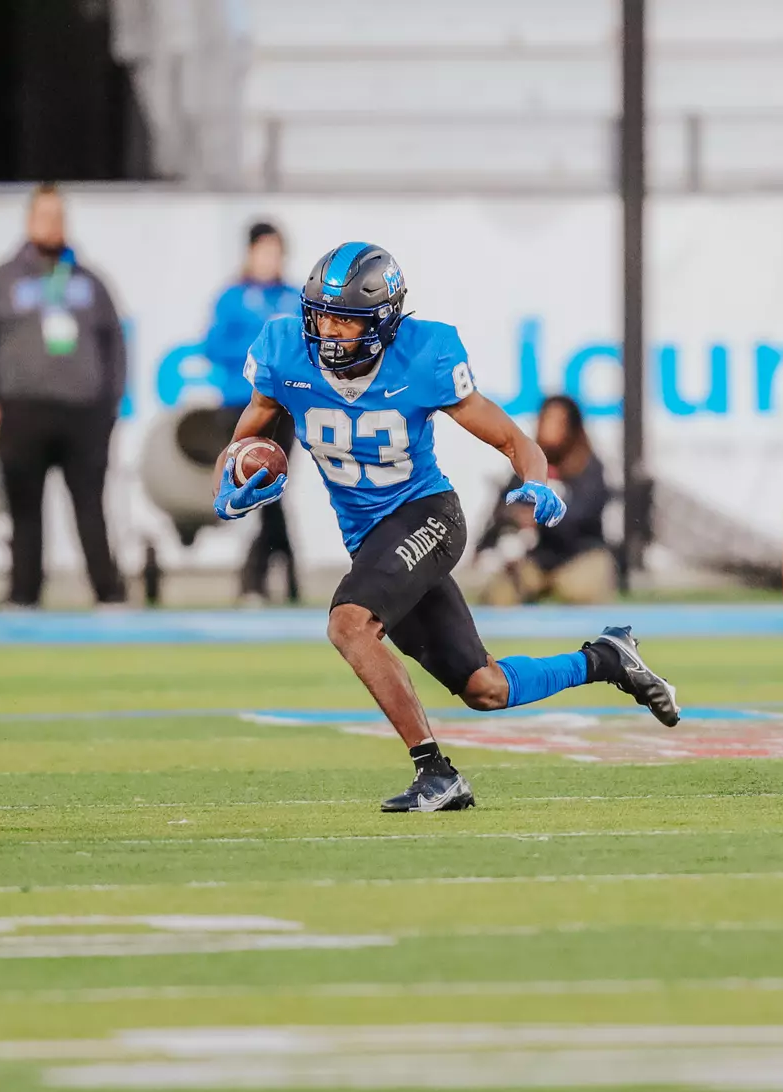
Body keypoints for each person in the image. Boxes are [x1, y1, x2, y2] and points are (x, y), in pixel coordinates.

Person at [213, 243, 680, 813]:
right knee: (485, 688)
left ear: (384, 322)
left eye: (347, 320)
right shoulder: (285, 352)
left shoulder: (423, 356)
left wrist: (536, 481)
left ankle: (436, 773)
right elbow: (242, 442)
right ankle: (607, 658)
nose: (330, 332)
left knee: (349, 624)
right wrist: (229, 484)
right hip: (370, 540)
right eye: (323, 315)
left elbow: (515, 439)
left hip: (428, 515)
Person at [0, 184, 127, 608]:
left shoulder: (90, 282)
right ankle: (23, 594)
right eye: (45, 216)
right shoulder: (0, 282)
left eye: (59, 216)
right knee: (24, 510)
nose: (52, 225)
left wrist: (109, 406)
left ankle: (108, 593)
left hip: (83, 413)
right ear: (29, 220)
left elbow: (115, 345)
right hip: (22, 411)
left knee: (91, 506)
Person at [203, 221, 299, 603]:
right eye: (264, 252)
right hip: (241, 407)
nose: (270, 260)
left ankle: (261, 577)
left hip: (286, 408)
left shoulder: (293, 298)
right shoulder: (231, 298)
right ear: (250, 254)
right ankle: (278, 573)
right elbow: (212, 346)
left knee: (271, 489)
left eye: (276, 253)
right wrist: (260, 353)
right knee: (262, 488)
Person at [480, 395, 617, 605]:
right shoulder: (530, 464)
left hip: (579, 555)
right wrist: (514, 518)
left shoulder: (587, 466)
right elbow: (505, 505)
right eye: (546, 421)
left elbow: (581, 515)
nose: (549, 430)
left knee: (578, 589)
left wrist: (539, 519)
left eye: (558, 423)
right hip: (537, 559)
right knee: (499, 595)